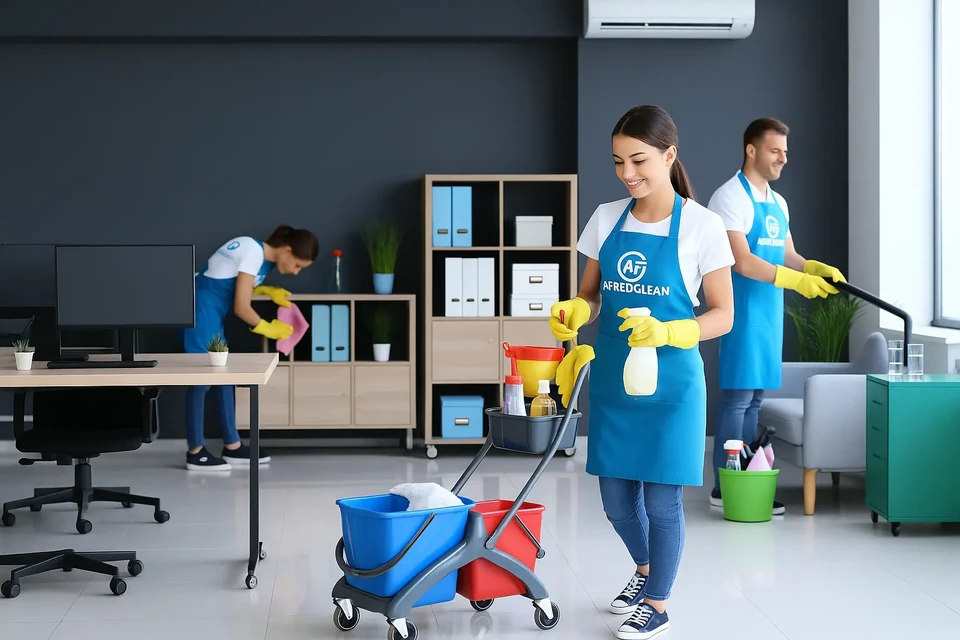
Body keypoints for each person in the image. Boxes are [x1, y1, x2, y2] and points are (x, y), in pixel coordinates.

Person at [550, 105, 735, 640]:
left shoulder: (702, 225)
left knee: (661, 501)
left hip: (673, 382)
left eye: (639, 160)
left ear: (669, 155)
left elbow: (722, 313)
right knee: (615, 502)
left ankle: (656, 603)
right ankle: (646, 568)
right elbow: (590, 295)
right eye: (617, 162)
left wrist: (671, 332)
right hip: (614, 379)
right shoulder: (606, 217)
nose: (628, 173)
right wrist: (574, 313)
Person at [706, 118, 845, 513]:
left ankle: (749, 478)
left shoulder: (778, 202)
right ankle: (724, 487)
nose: (784, 158)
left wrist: (810, 268)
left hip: (770, 314)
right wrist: (793, 280)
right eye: (775, 150)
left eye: (785, 150)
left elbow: (788, 254)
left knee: (755, 401)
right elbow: (741, 261)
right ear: (751, 150)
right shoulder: (729, 197)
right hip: (742, 311)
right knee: (737, 398)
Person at [181, 225, 318, 471]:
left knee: (224, 378)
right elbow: (241, 307)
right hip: (201, 312)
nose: (296, 272)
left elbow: (234, 283)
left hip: (212, 313)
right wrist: (267, 328)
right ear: (287, 250)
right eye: (297, 265)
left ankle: (232, 446)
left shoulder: (261, 257)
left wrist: (264, 289)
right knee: (200, 380)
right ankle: (195, 451)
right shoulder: (253, 252)